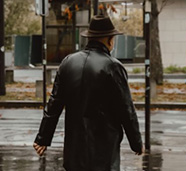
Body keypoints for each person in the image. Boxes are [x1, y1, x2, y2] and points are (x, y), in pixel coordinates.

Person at [33, 15, 143, 170]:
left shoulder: (68, 63)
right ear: (109, 39)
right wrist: (136, 143)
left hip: (74, 148)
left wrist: (43, 138)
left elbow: (54, 105)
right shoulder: (112, 66)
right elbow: (126, 108)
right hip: (103, 151)